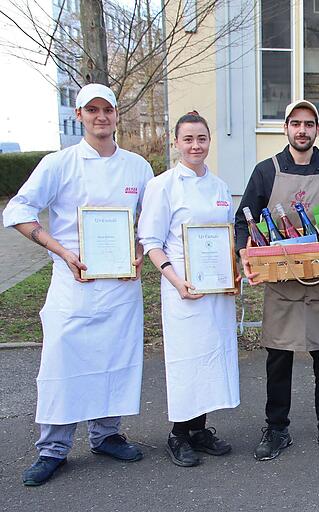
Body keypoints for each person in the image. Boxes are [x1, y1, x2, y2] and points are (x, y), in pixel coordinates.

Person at [3, 84, 152, 486]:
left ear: (117, 115)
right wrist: (60, 250)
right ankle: (53, 448)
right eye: (92, 110)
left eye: (108, 110)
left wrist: (139, 251)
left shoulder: (137, 167)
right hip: (74, 282)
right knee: (62, 364)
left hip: (120, 286)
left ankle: (106, 435)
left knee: (114, 359)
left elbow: (149, 222)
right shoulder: (59, 163)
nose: (101, 117)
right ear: (80, 114)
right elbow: (18, 209)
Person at [237, 100, 319, 460]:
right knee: (278, 358)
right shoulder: (265, 172)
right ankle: (276, 428)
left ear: (318, 130)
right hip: (281, 284)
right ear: (285, 128)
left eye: (309, 124)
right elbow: (244, 221)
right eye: (295, 123)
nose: (302, 130)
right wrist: (245, 253)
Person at [138, 111, 239, 466]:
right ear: (176, 142)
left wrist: (233, 275)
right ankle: (178, 434)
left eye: (201, 138)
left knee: (212, 359)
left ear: (209, 141)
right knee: (187, 361)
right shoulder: (162, 185)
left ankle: (199, 430)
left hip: (217, 290)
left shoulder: (220, 187)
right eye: (188, 139)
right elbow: (150, 240)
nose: (195, 145)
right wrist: (175, 279)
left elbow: (228, 237)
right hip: (183, 289)